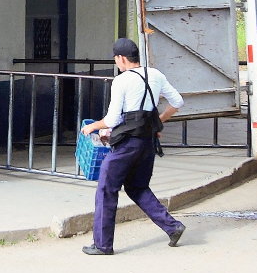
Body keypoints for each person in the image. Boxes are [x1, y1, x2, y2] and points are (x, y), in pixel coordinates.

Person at [79, 38, 186, 255]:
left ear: (121, 58)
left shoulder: (121, 81)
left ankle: (102, 245)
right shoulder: (155, 75)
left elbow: (112, 119)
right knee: (137, 187)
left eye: (116, 59)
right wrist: (159, 121)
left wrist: (92, 128)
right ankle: (173, 227)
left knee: (106, 189)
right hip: (147, 142)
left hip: (127, 145)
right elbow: (177, 102)